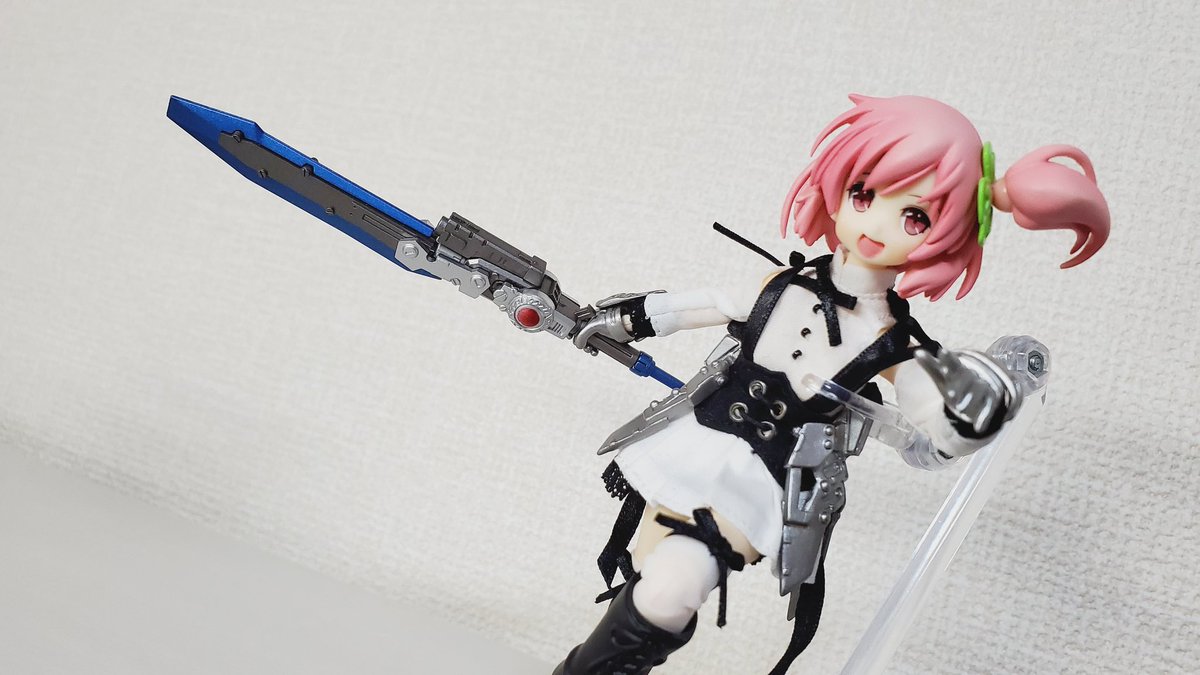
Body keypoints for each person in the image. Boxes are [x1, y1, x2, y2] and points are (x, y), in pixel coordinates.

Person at [555, 94, 1110, 675]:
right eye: (863, 195)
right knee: (648, 573)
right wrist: (622, 318)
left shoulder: (894, 340)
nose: (876, 225)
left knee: (670, 591)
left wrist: (972, 412)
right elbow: (707, 303)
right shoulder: (781, 284)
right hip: (697, 442)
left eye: (914, 217)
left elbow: (931, 416)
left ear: (949, 234)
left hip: (759, 480)